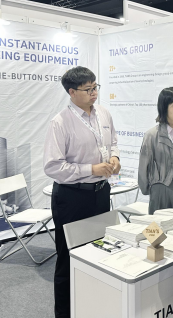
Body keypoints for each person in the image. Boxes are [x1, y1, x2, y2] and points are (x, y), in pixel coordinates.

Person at [43, 66, 120, 318]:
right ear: (72, 92)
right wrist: (91, 169)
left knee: (99, 252)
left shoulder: (103, 113)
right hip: (72, 197)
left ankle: (94, 308)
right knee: (69, 258)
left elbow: (113, 142)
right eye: (88, 89)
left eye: (95, 87)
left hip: (101, 192)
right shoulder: (60, 123)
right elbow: (53, 166)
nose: (94, 93)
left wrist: (115, 158)